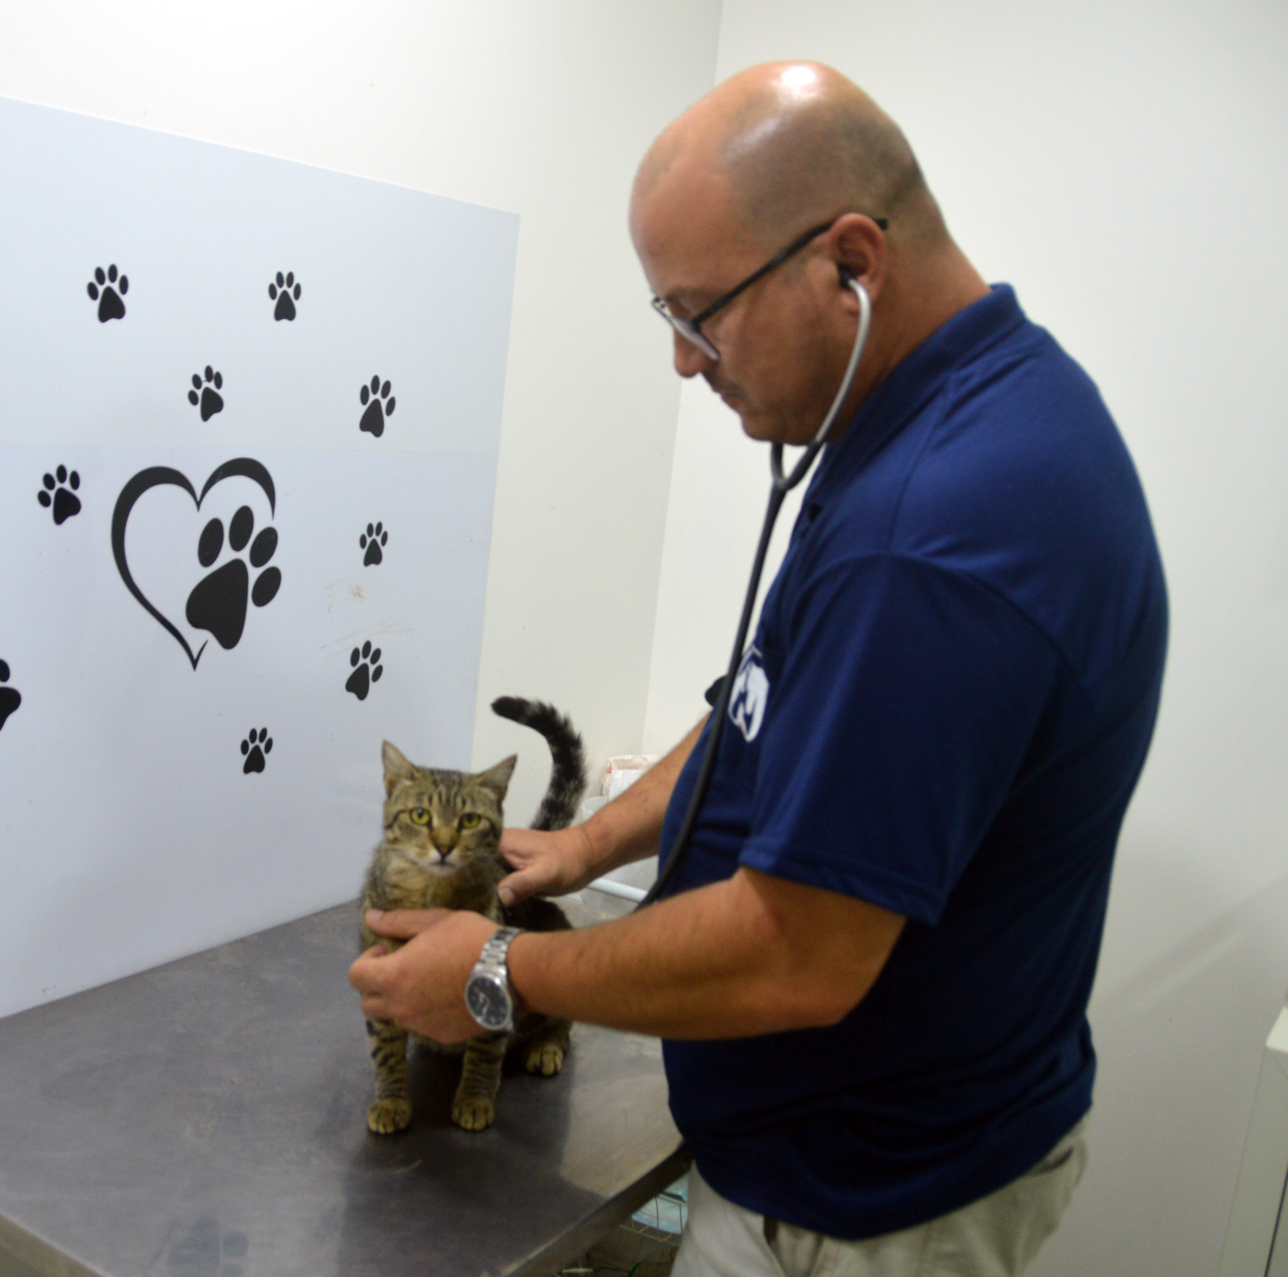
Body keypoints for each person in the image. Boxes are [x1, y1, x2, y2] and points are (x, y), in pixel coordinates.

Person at [349, 61, 1167, 1277]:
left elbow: (800, 948)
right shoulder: (964, 409)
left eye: (698, 313)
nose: (685, 362)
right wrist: (591, 843)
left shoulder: (928, 535)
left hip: (866, 1204)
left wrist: (498, 974)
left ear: (849, 261)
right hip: (882, 1145)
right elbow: (763, 700)